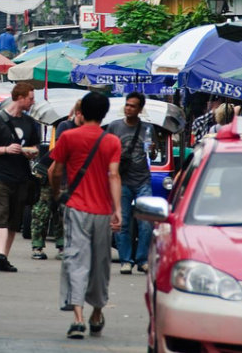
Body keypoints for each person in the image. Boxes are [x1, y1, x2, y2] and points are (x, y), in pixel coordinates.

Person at [49, 91, 122, 339]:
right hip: (103, 212)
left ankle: (78, 318)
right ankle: (97, 313)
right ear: (104, 114)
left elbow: (55, 170)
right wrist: (118, 209)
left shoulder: (68, 137)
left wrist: (58, 192)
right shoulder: (112, 141)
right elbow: (114, 175)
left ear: (83, 111)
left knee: (76, 259)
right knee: (101, 264)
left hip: (77, 208)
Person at [0, 82, 41, 273]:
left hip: (21, 177)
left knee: (14, 220)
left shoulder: (31, 123)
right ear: (20, 97)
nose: (32, 102)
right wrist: (5, 149)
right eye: (30, 98)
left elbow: (36, 148)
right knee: (0, 215)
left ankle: (3, 256)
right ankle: (0, 253)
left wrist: (31, 152)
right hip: (0, 176)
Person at [105, 92, 154, 275]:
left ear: (140, 109)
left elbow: (153, 155)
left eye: (133, 106)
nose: (128, 108)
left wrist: (154, 150)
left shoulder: (147, 129)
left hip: (143, 180)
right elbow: (105, 150)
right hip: (122, 181)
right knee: (122, 221)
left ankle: (142, 259)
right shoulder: (114, 127)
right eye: (127, 105)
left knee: (146, 222)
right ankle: (126, 260)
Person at [31, 100, 80, 260]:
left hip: (67, 175)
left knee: (62, 212)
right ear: (78, 113)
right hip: (48, 172)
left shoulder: (87, 129)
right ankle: (37, 247)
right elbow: (60, 154)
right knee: (43, 211)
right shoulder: (65, 126)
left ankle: (62, 246)